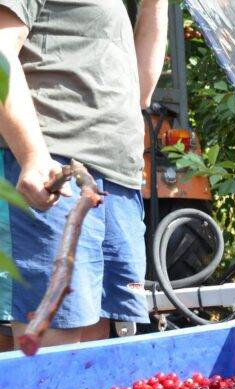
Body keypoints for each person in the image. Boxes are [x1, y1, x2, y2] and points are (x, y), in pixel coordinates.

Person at [0, 0, 168, 348]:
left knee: (99, 355)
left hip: (118, 181)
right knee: (52, 354)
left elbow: (142, 93)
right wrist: (32, 155)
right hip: (58, 170)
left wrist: (155, 6)